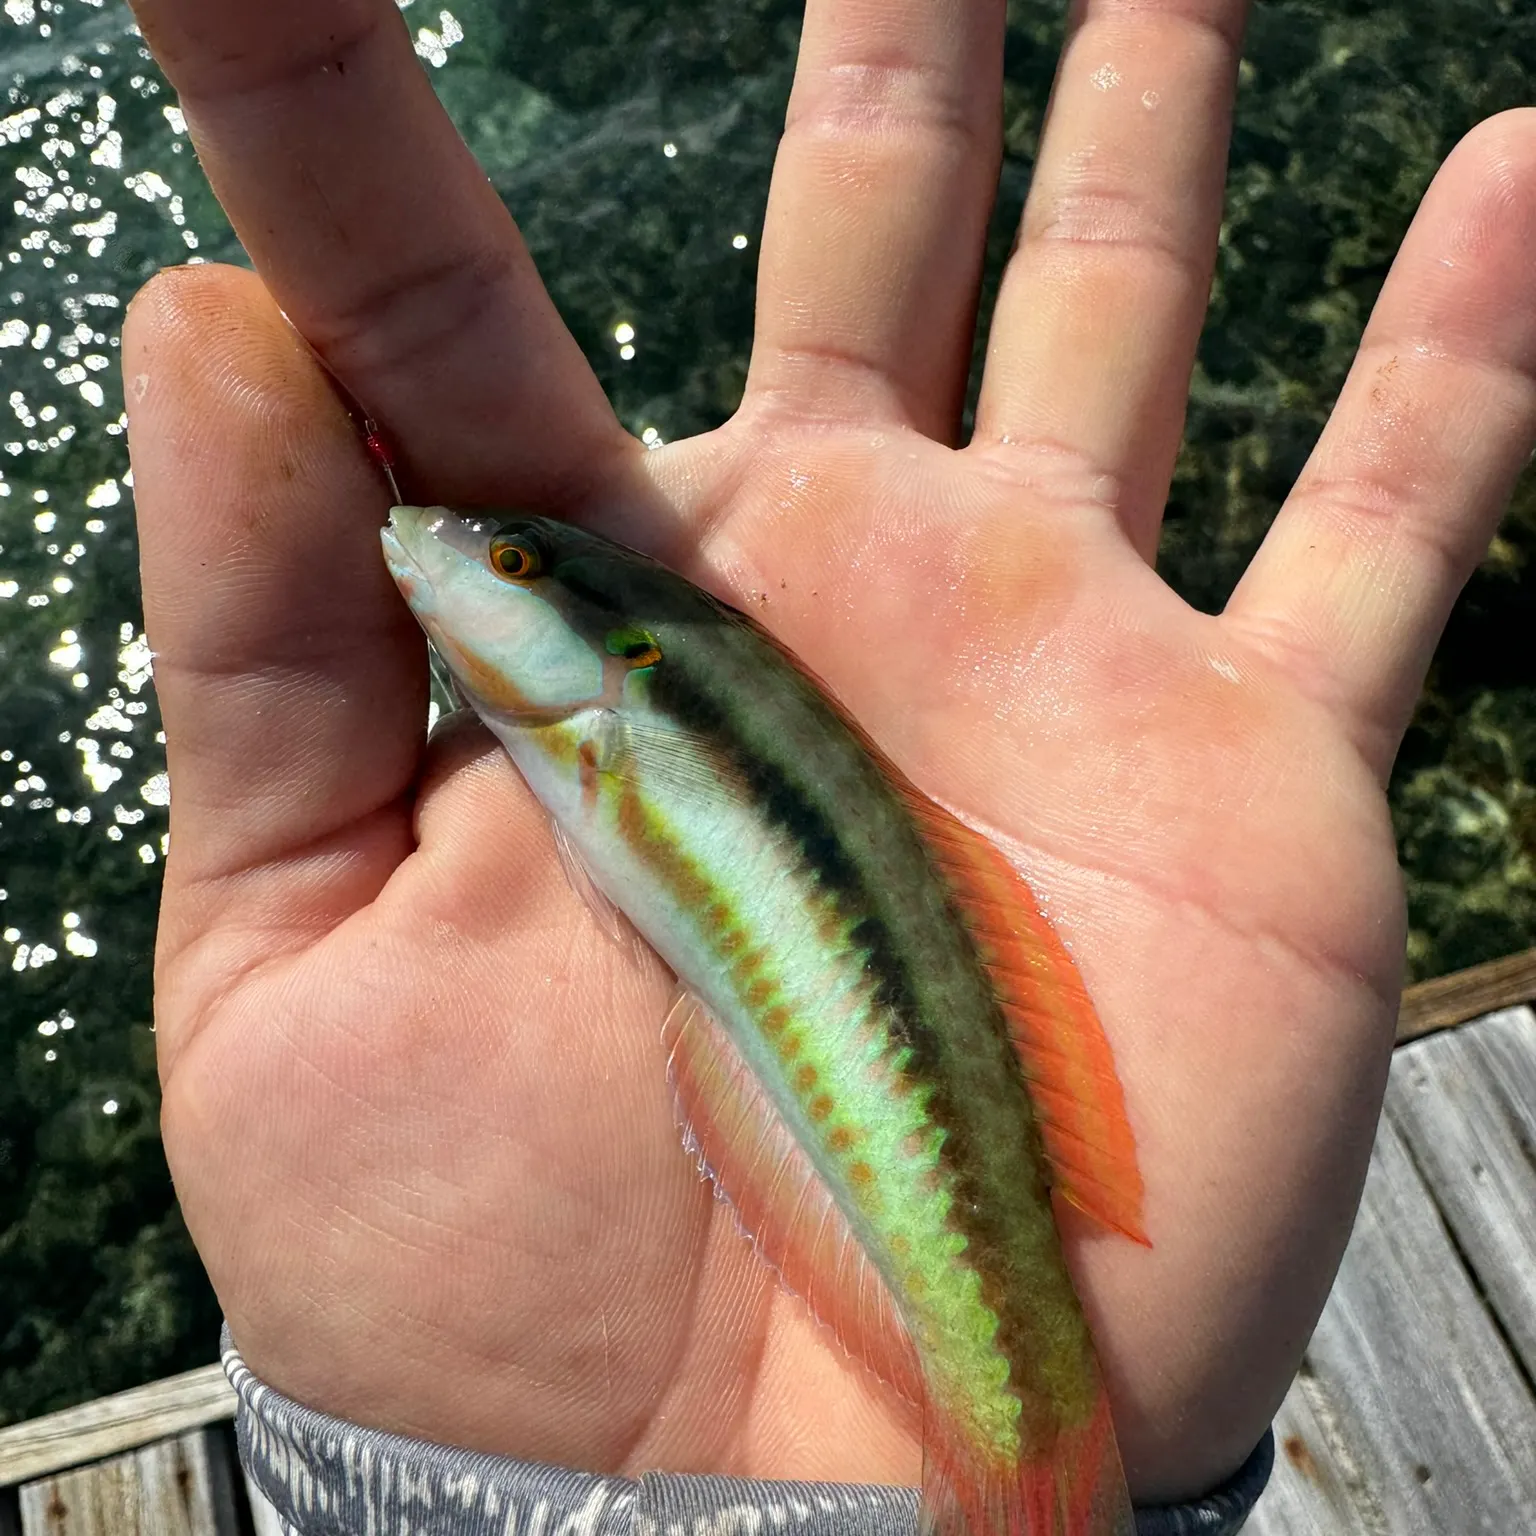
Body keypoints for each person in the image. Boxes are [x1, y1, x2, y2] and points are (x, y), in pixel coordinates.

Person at [121, 0, 1536, 1530]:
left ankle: (1030, 1455)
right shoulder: (604, 710)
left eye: (513, 556)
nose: (456, 549)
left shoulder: (622, 709)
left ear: (624, 658)